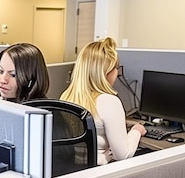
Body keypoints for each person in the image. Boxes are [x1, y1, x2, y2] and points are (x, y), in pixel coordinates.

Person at [60, 37, 146, 165]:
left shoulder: (66, 96)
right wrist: (136, 131)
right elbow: (123, 154)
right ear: (107, 73)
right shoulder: (109, 102)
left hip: (71, 172)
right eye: (116, 67)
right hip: (98, 175)